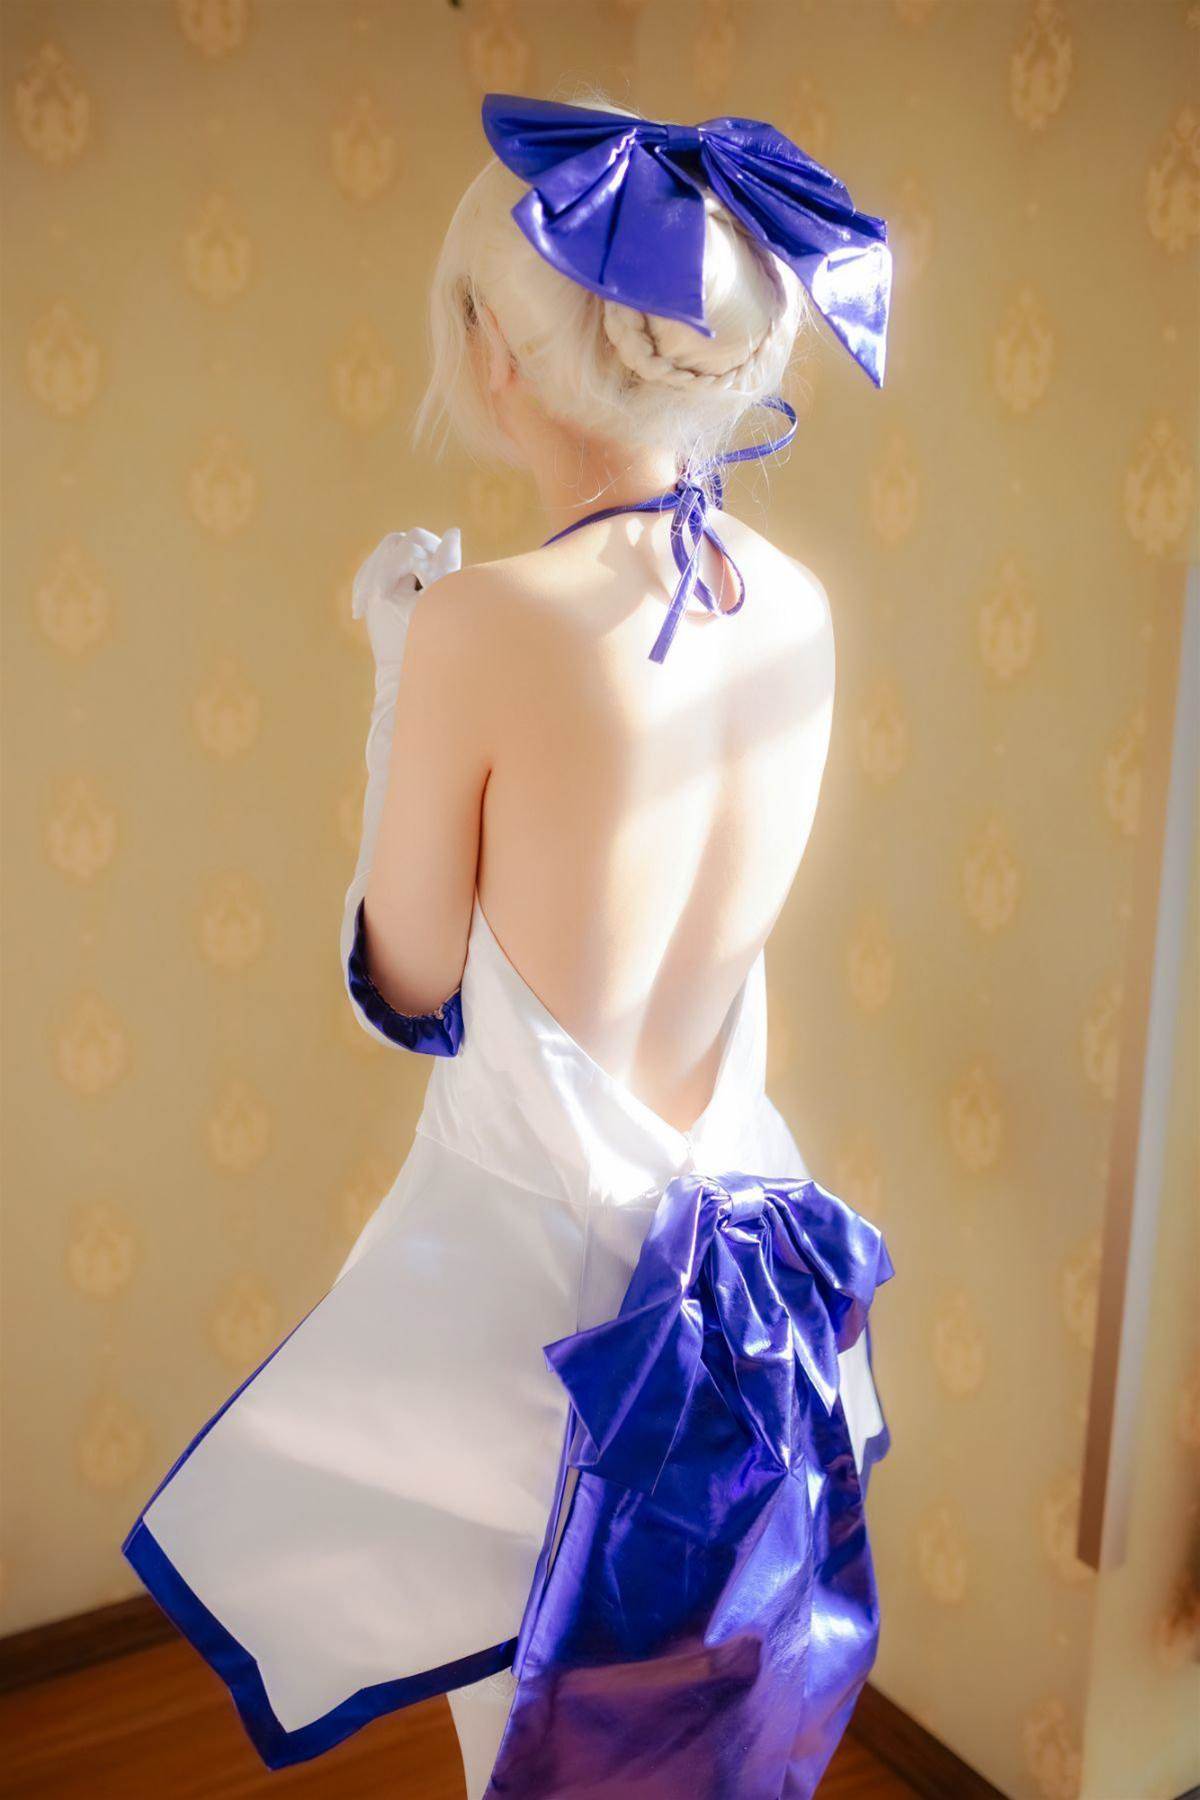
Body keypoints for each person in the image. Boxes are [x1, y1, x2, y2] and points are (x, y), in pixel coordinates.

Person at [122, 91, 895, 1800]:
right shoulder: (802, 608)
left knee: (535, 1752)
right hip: (743, 1277)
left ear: (500, 354)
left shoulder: (485, 622)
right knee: (682, 1749)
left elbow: (408, 988)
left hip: (539, 1325)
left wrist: (399, 672)